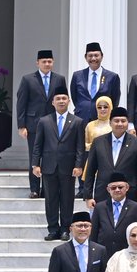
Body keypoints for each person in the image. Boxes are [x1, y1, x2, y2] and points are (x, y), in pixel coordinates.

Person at [32, 89, 86, 240]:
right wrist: (35, 164)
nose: (61, 101)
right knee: (50, 199)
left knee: (67, 199)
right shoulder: (44, 121)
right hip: (49, 166)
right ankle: (52, 229)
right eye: (58, 98)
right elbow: (38, 145)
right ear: (53, 102)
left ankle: (65, 230)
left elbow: (80, 146)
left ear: (69, 101)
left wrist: (79, 165)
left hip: (69, 168)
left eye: (64, 98)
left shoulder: (77, 121)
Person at [18, 48, 68, 198]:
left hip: (53, 124)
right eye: (44, 61)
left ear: (53, 62)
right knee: (34, 156)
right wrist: (21, 126)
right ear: (37, 63)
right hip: (33, 124)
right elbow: (21, 102)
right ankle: (34, 189)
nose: (47, 64)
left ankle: (47, 189)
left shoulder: (59, 79)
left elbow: (62, 100)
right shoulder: (28, 79)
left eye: (49, 61)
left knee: (50, 157)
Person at [82, 106, 137, 207]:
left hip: (129, 195)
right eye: (116, 121)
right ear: (110, 123)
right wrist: (88, 196)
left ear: (127, 123)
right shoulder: (98, 142)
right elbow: (90, 171)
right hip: (103, 194)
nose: (120, 124)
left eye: (123, 121)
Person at [90, 172, 137, 268]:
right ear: (108, 189)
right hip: (104, 254)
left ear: (127, 188)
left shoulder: (136, 208)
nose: (117, 190)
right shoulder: (100, 207)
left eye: (120, 187)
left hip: (126, 255)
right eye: (113, 188)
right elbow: (93, 233)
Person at [70, 41, 122, 123]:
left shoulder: (112, 77)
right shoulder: (77, 75)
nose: (93, 58)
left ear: (102, 56)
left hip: (103, 120)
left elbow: (115, 101)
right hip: (81, 118)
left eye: (96, 55)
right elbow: (74, 97)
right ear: (85, 57)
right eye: (90, 56)